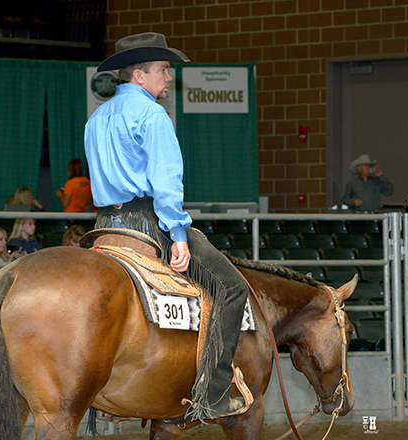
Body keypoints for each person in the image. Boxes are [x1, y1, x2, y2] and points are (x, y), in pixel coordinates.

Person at [84, 32, 249, 421]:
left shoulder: (96, 118)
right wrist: (177, 235)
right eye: (162, 70)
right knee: (231, 287)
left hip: (105, 225)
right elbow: (165, 183)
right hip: (148, 222)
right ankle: (214, 393)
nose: (169, 77)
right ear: (139, 76)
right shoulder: (152, 114)